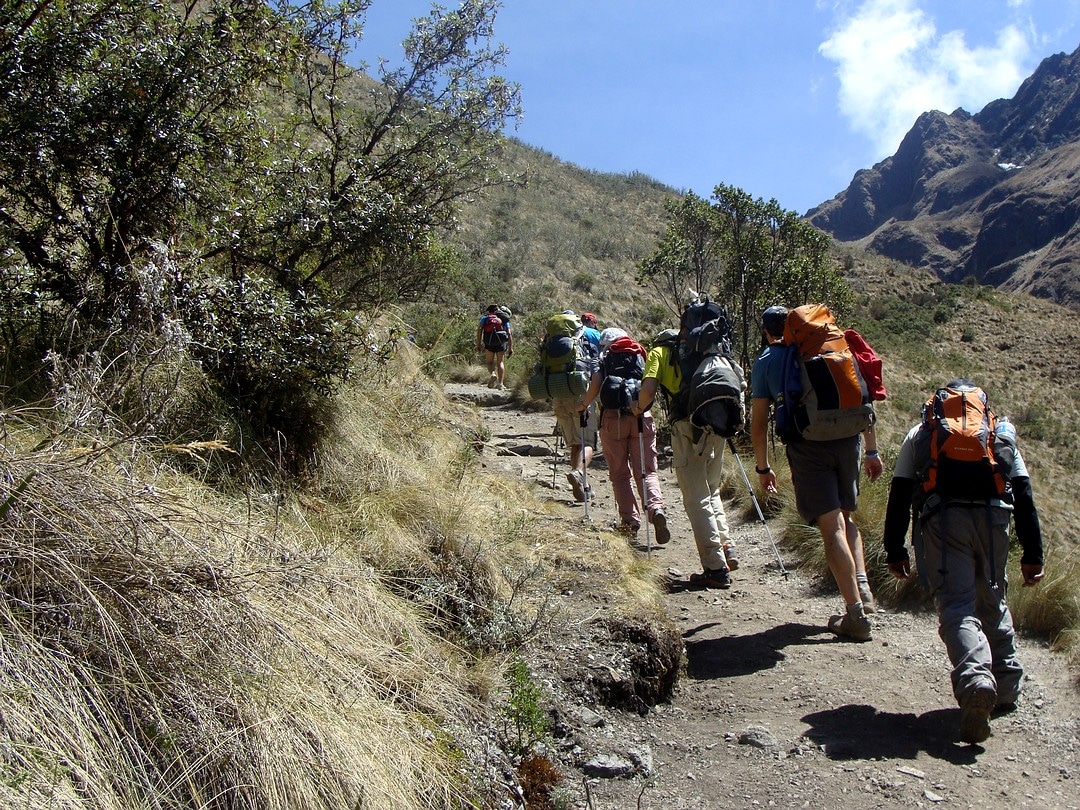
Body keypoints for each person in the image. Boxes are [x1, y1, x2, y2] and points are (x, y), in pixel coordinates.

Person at [882, 379, 1044, 744]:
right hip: (996, 520)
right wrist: (1033, 555)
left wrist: (895, 549)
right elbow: (1024, 494)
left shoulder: (921, 433)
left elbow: (900, 493)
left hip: (944, 519)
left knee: (958, 605)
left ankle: (975, 680)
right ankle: (1005, 685)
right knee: (992, 594)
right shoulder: (998, 434)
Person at [750, 305, 882, 639]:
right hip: (849, 439)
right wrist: (872, 450)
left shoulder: (768, 361)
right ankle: (863, 588)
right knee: (846, 518)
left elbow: (759, 422)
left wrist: (763, 467)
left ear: (767, 331)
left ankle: (855, 614)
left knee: (830, 524)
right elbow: (862, 399)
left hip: (810, 446)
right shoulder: (835, 348)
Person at [632, 327, 736, 587]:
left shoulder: (658, 352)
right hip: (717, 422)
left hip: (686, 427)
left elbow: (648, 391)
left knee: (696, 497)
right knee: (712, 490)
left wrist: (637, 409)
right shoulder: (709, 351)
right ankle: (726, 546)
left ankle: (715, 568)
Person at [577, 328, 670, 541]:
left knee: (620, 474)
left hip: (612, 419)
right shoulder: (641, 354)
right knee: (647, 471)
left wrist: (583, 405)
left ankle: (630, 521)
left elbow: (596, 384)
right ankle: (655, 509)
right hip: (641, 417)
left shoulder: (605, 357)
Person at [548, 310, 598, 502]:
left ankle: (582, 485)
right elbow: (597, 365)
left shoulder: (551, 340)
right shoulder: (591, 334)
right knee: (588, 441)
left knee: (575, 443)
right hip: (580, 392)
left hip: (557, 394)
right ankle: (578, 473)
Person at [475, 304, 513, 389]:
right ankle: (500, 384)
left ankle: (492, 374)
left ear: (490, 311)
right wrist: (510, 347)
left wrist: (478, 343)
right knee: (500, 362)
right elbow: (509, 333)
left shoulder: (485, 318)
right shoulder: (503, 318)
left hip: (489, 342)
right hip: (501, 343)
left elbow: (479, 330)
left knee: (489, 362)